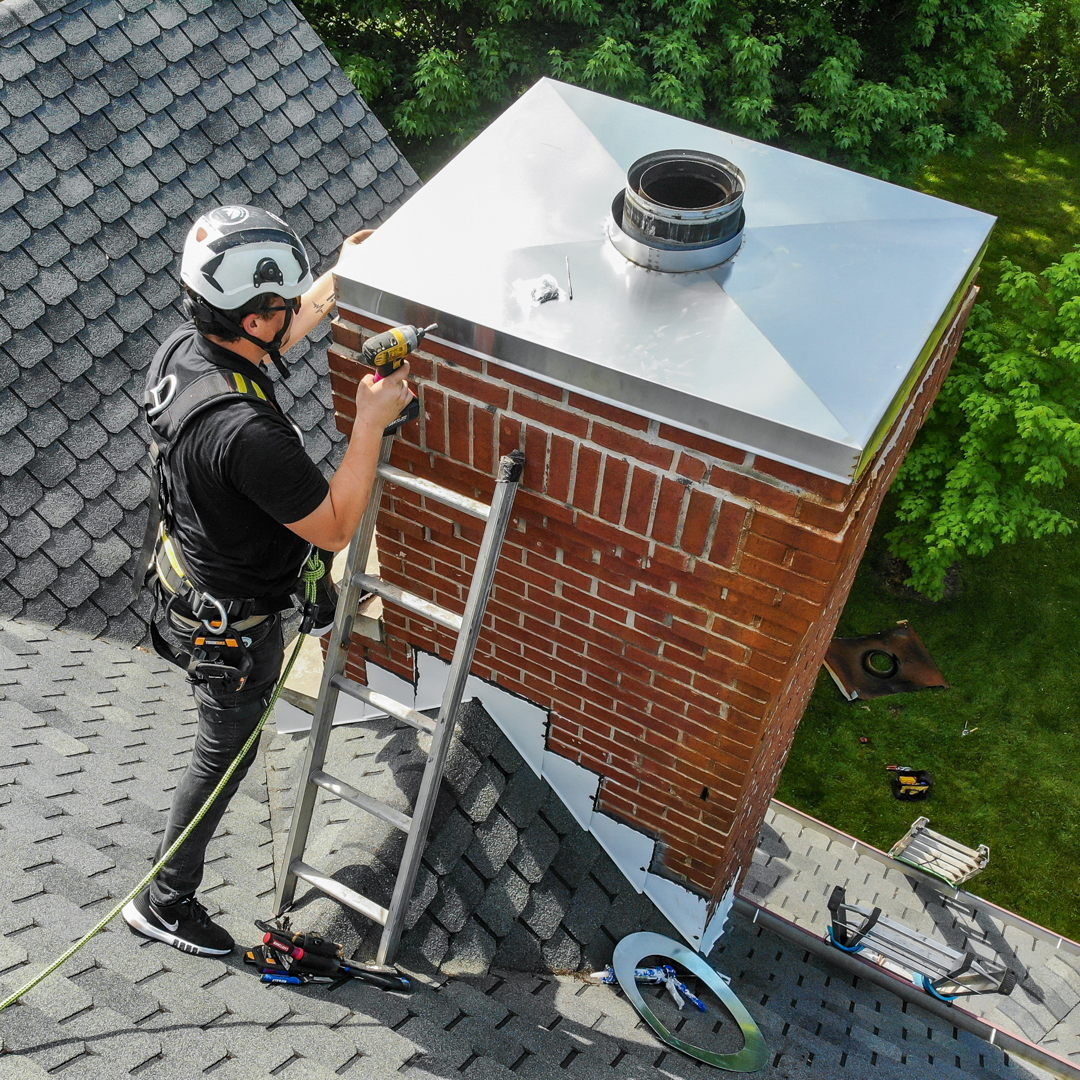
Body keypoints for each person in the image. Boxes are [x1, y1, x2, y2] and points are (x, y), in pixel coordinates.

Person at [122, 205, 413, 956]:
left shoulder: (186, 350)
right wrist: (370, 421)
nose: (291, 318)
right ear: (250, 318)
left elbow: (278, 330)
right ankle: (164, 901)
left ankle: (165, 894)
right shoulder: (247, 433)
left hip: (196, 577)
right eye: (280, 308)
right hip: (233, 629)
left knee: (224, 748)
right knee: (224, 755)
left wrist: (338, 276)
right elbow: (336, 526)